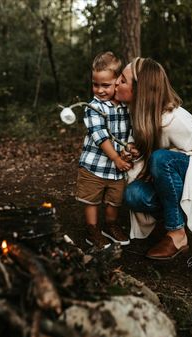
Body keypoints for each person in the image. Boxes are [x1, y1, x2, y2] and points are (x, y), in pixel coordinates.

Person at [115, 57, 192, 260]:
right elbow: (144, 145)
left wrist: (173, 159)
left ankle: (177, 234)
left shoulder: (173, 120)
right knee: (133, 195)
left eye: (123, 80)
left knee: (161, 158)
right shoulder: (137, 112)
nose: (117, 82)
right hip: (166, 178)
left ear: (140, 91)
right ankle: (176, 218)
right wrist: (133, 149)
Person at [76, 51, 134, 249]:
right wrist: (116, 158)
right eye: (95, 84)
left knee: (114, 200)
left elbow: (129, 134)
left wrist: (128, 149)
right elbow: (100, 135)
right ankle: (92, 230)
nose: (99, 90)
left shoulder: (126, 106)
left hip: (116, 169)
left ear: (118, 81)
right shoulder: (93, 107)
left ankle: (110, 226)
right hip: (95, 165)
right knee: (92, 199)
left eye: (105, 85)